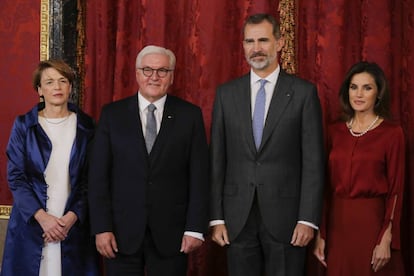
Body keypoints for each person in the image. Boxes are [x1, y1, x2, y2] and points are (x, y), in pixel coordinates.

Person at [210, 13, 325, 276]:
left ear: (280, 43)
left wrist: (307, 219)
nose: (256, 48)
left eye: (263, 40)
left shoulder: (304, 93)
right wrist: (216, 217)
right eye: (249, 41)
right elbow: (217, 158)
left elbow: (313, 162)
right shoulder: (226, 94)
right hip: (237, 218)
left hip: (287, 220)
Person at [88, 45, 209, 276]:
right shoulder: (112, 115)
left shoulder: (189, 115)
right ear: (136, 73)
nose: (154, 76)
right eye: (147, 70)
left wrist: (195, 229)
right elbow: (98, 177)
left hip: (172, 235)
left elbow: (199, 176)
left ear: (171, 76)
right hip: (120, 235)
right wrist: (102, 228)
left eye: (162, 70)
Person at [1, 59, 98, 276]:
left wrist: (71, 218)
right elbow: (16, 177)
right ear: (40, 90)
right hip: (31, 223)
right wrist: (43, 218)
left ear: (70, 87)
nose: (57, 87)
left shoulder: (87, 126)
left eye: (63, 81)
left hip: (72, 225)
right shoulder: (24, 125)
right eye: (50, 82)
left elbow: (91, 179)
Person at [313, 61, 406, 275]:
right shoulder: (334, 131)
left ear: (379, 93)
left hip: (372, 224)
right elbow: (323, 187)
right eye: (353, 87)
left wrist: (387, 236)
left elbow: (396, 191)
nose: (359, 94)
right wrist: (321, 233)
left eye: (367, 87)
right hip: (337, 227)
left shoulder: (392, 133)